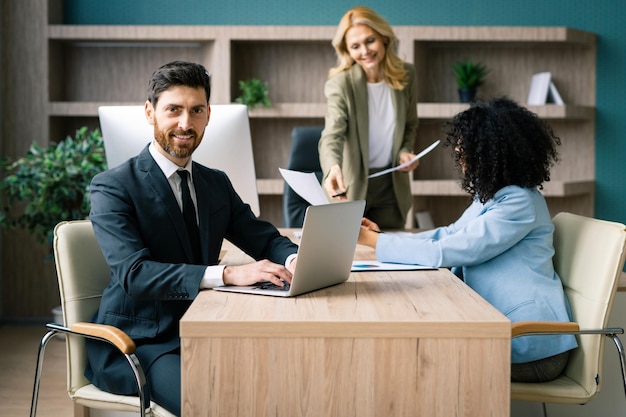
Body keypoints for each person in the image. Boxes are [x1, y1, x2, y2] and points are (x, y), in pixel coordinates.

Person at [86, 61, 299, 415]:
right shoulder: (113, 186)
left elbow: (262, 238)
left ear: (208, 115)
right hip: (141, 343)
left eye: (196, 110)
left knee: (280, 383)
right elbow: (134, 274)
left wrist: (295, 260)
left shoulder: (215, 183)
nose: (186, 123)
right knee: (215, 404)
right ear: (149, 112)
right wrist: (228, 274)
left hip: (206, 328)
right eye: (174, 110)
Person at [358, 97, 578, 383]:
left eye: (466, 150)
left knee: (418, 364)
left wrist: (372, 243)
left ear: (494, 153)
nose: (460, 156)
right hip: (503, 332)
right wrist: (380, 238)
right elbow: (450, 234)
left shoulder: (519, 202)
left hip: (532, 346)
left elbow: (456, 250)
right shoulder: (495, 197)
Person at [319, 6, 419, 229]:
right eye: (355, 46)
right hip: (352, 186)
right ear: (347, 50)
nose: (364, 51)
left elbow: (410, 124)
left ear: (384, 38)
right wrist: (333, 167)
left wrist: (405, 150)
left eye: (370, 40)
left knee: (390, 254)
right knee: (350, 256)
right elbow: (332, 135)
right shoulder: (341, 84)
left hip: (391, 187)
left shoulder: (407, 75)